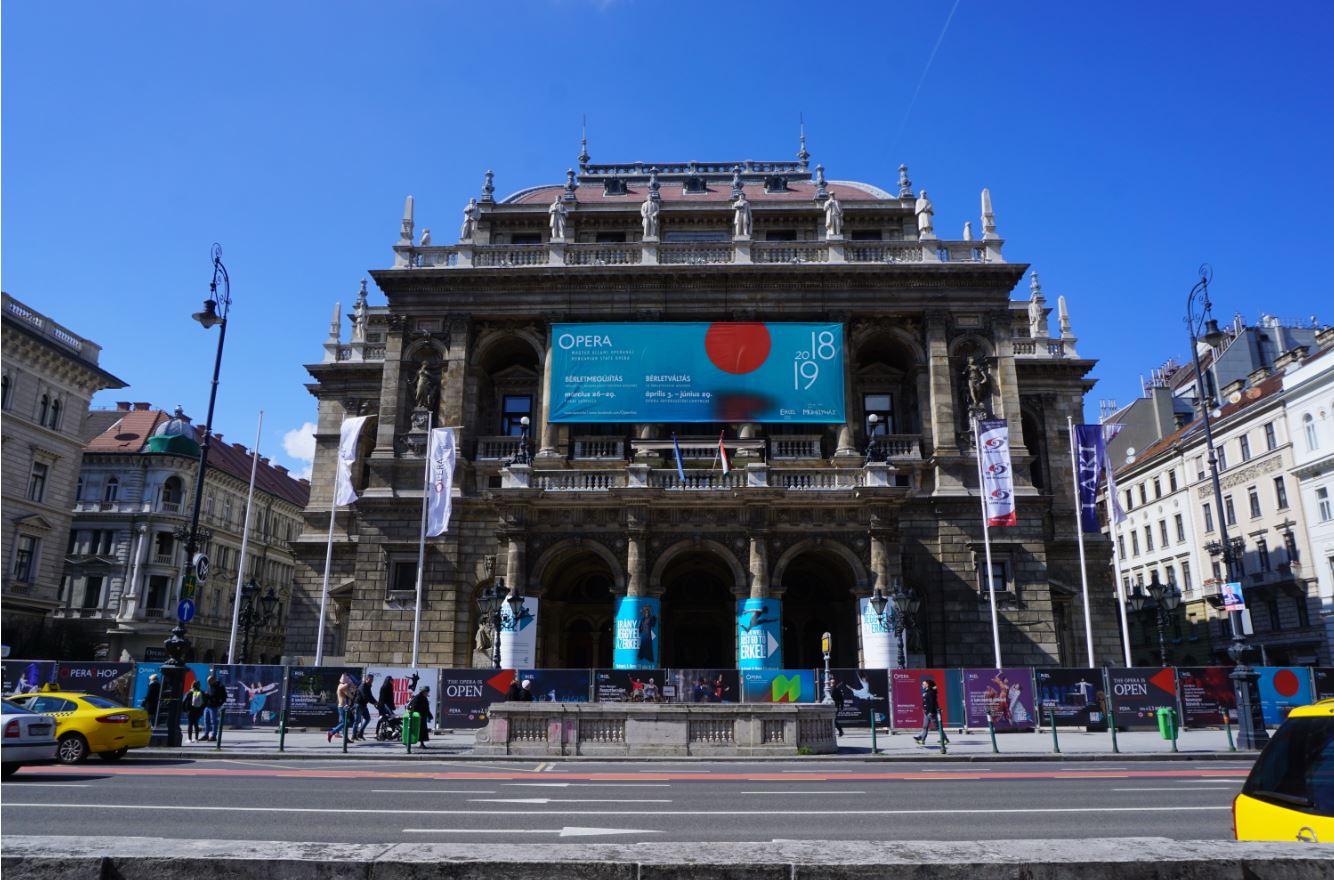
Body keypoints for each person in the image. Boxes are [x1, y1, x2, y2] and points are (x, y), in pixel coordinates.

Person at [914, 678, 949, 745]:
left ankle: (945, 739)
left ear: (927, 684)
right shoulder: (927, 691)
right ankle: (922, 739)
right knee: (925, 726)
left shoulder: (931, 692)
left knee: (937, 727)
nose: (922, 685)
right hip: (926, 712)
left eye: (923, 684)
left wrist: (930, 712)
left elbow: (932, 703)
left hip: (930, 712)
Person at [327, 673, 357, 743]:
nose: (349, 681)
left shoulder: (343, 686)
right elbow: (350, 696)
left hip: (345, 707)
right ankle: (332, 732)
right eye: (347, 679)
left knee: (349, 722)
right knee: (345, 722)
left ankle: (345, 738)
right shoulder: (341, 686)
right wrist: (351, 686)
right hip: (343, 707)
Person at [201, 672, 226, 741]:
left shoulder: (220, 686)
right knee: (206, 721)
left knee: (214, 722)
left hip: (214, 706)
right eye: (207, 682)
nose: (208, 683)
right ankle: (206, 735)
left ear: (213, 680)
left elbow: (224, 697)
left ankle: (213, 736)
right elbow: (208, 695)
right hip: (207, 706)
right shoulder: (210, 686)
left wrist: (219, 704)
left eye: (209, 681)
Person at [353, 673, 375, 740]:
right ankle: (353, 735)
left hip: (363, 705)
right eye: (370, 679)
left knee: (368, 718)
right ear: (366, 679)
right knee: (357, 721)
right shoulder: (363, 686)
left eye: (372, 680)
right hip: (358, 704)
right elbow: (365, 696)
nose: (371, 681)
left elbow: (370, 696)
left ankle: (360, 733)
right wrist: (373, 703)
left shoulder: (368, 686)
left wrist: (376, 702)